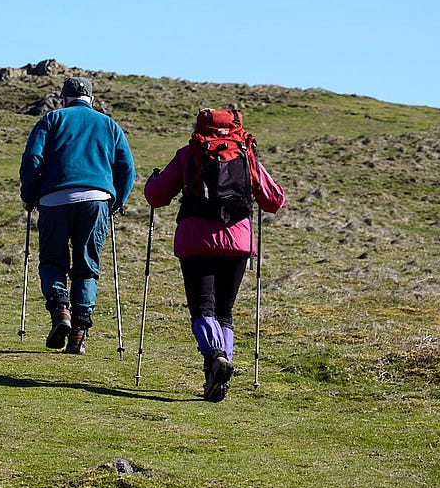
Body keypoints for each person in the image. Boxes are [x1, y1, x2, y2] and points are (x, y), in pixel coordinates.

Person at [144, 107, 284, 401]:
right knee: (225, 312)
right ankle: (221, 367)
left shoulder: (189, 153)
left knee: (202, 309)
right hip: (238, 242)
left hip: (196, 240)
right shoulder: (246, 153)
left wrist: (151, 181)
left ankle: (215, 355)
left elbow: (157, 196)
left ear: (198, 127)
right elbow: (273, 201)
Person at [19, 75, 136, 355]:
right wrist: (116, 202)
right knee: (86, 265)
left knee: (52, 260)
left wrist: (29, 196)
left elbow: (32, 160)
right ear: (91, 101)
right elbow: (127, 168)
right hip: (96, 200)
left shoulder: (52, 119)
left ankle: (60, 311)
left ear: (63, 99)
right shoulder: (109, 124)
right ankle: (79, 334)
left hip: (54, 199)